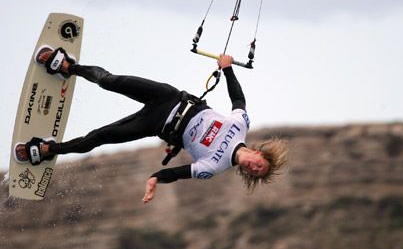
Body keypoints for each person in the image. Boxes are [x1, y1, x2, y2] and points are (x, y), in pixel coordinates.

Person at [15, 48, 288, 203]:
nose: (253, 168)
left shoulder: (214, 168)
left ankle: (49, 149)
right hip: (169, 97)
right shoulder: (240, 125)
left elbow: (178, 173)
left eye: (255, 173)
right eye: (259, 165)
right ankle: (66, 66)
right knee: (109, 81)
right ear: (259, 154)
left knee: (99, 137)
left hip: (157, 123)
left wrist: (155, 178)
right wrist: (228, 68)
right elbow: (237, 98)